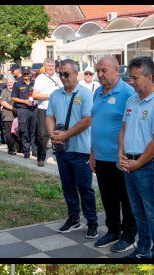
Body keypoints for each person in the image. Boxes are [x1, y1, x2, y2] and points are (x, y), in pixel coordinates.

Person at [119, 56, 154, 258]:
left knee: (152, 212)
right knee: (136, 210)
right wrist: (121, 156)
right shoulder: (131, 100)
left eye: (134, 77)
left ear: (149, 77)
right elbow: (123, 129)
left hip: (149, 165)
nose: (130, 81)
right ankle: (142, 249)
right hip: (130, 162)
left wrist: (137, 163)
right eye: (130, 77)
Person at [87, 56, 138, 252]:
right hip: (100, 157)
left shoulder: (128, 93)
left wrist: (125, 154)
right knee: (108, 198)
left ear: (117, 70)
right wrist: (92, 152)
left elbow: (131, 127)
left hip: (120, 158)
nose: (100, 74)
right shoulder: (98, 92)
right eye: (98, 70)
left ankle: (129, 234)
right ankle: (112, 230)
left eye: (104, 71)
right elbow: (96, 122)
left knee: (126, 199)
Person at [46, 59, 97, 236]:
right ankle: (73, 219)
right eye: (60, 74)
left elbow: (87, 120)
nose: (63, 77)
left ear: (76, 73)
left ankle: (92, 222)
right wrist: (53, 134)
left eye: (66, 74)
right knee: (67, 186)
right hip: (62, 149)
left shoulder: (85, 94)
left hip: (81, 149)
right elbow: (49, 116)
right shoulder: (55, 95)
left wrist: (66, 135)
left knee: (85, 188)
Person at [33, 58, 63, 167]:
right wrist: (50, 96)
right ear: (44, 66)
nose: (51, 68)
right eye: (48, 66)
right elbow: (35, 95)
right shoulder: (40, 78)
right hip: (44, 109)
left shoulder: (59, 78)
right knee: (42, 135)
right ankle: (41, 158)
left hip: (58, 110)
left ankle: (59, 157)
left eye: (52, 66)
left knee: (58, 133)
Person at [0, 76, 20, 155]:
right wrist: (12, 108)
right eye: (8, 82)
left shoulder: (17, 91)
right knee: (9, 133)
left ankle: (19, 148)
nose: (9, 84)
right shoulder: (4, 91)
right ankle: (11, 149)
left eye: (11, 82)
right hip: (8, 115)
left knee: (18, 132)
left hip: (17, 115)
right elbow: (3, 102)